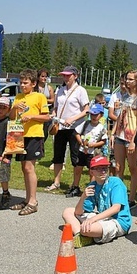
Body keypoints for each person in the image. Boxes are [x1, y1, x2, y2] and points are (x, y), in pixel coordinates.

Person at [61, 154, 132, 247]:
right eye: (98, 169)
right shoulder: (92, 186)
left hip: (118, 222)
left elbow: (116, 208)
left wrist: (92, 220)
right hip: (102, 217)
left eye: (105, 168)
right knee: (67, 212)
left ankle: (84, 233)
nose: (102, 171)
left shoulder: (116, 182)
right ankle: (81, 235)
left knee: (86, 228)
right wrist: (83, 197)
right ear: (91, 172)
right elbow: (78, 212)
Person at [9, 69, 50, 216]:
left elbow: (47, 117)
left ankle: (33, 201)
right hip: (20, 136)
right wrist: (14, 108)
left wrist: (31, 116)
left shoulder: (39, 97)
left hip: (34, 135)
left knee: (29, 168)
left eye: (25, 83)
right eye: (21, 82)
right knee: (23, 168)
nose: (22, 85)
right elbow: (12, 117)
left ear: (33, 83)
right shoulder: (18, 97)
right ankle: (27, 200)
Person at [47, 66, 89, 195]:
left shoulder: (81, 91)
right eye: (64, 75)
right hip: (60, 126)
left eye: (68, 75)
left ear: (75, 76)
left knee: (75, 156)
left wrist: (73, 118)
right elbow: (56, 107)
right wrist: (53, 115)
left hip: (74, 128)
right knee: (58, 155)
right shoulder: (60, 90)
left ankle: (75, 185)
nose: (65, 78)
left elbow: (86, 110)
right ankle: (56, 182)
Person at [113, 69, 137, 207]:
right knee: (118, 167)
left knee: (132, 168)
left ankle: (131, 199)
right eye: (127, 79)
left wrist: (134, 140)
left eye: (130, 79)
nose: (127, 81)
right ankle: (118, 197)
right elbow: (120, 115)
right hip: (120, 135)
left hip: (131, 137)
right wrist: (113, 133)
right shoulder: (124, 95)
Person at [72, 103, 108, 188]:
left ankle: (91, 187)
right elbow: (76, 133)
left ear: (101, 115)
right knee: (78, 169)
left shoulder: (101, 128)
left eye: (96, 115)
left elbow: (103, 141)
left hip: (92, 153)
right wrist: (81, 142)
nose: (93, 117)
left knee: (92, 171)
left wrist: (94, 145)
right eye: (92, 114)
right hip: (82, 151)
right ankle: (75, 186)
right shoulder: (86, 124)